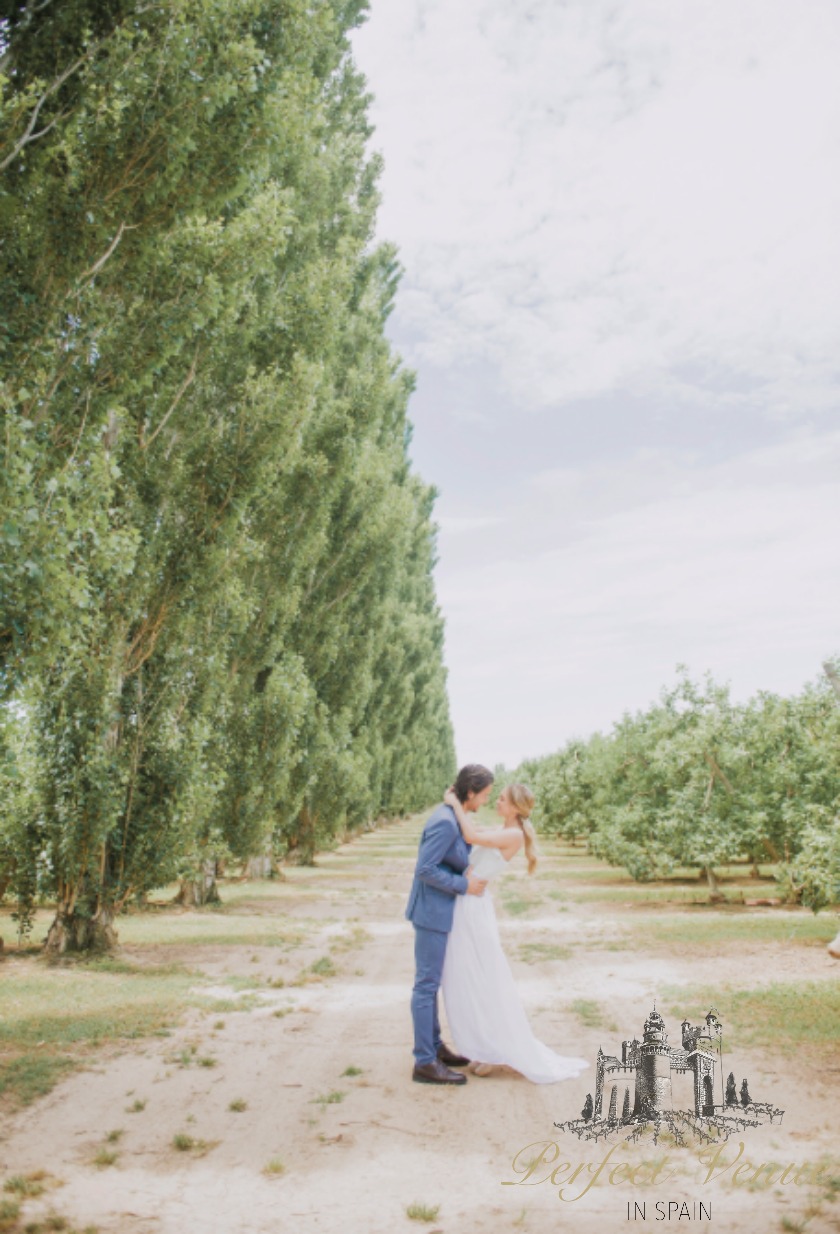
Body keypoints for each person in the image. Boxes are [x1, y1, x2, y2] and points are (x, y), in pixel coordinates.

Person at [440, 782, 588, 1084]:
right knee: (468, 977)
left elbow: (472, 835)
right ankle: (482, 1046)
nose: (497, 801)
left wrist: (454, 803)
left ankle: (491, 1049)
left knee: (481, 977)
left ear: (516, 807)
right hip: (468, 901)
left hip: (473, 907)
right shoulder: (505, 829)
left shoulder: (513, 834)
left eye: (503, 799)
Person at [405, 764, 494, 1084]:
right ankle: (424, 1061)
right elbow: (425, 869)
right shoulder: (444, 822)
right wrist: (463, 885)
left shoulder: (453, 815)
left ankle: (435, 1047)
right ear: (470, 793)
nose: (485, 801)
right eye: (484, 795)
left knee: (432, 983)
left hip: (440, 911)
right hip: (431, 913)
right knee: (426, 985)